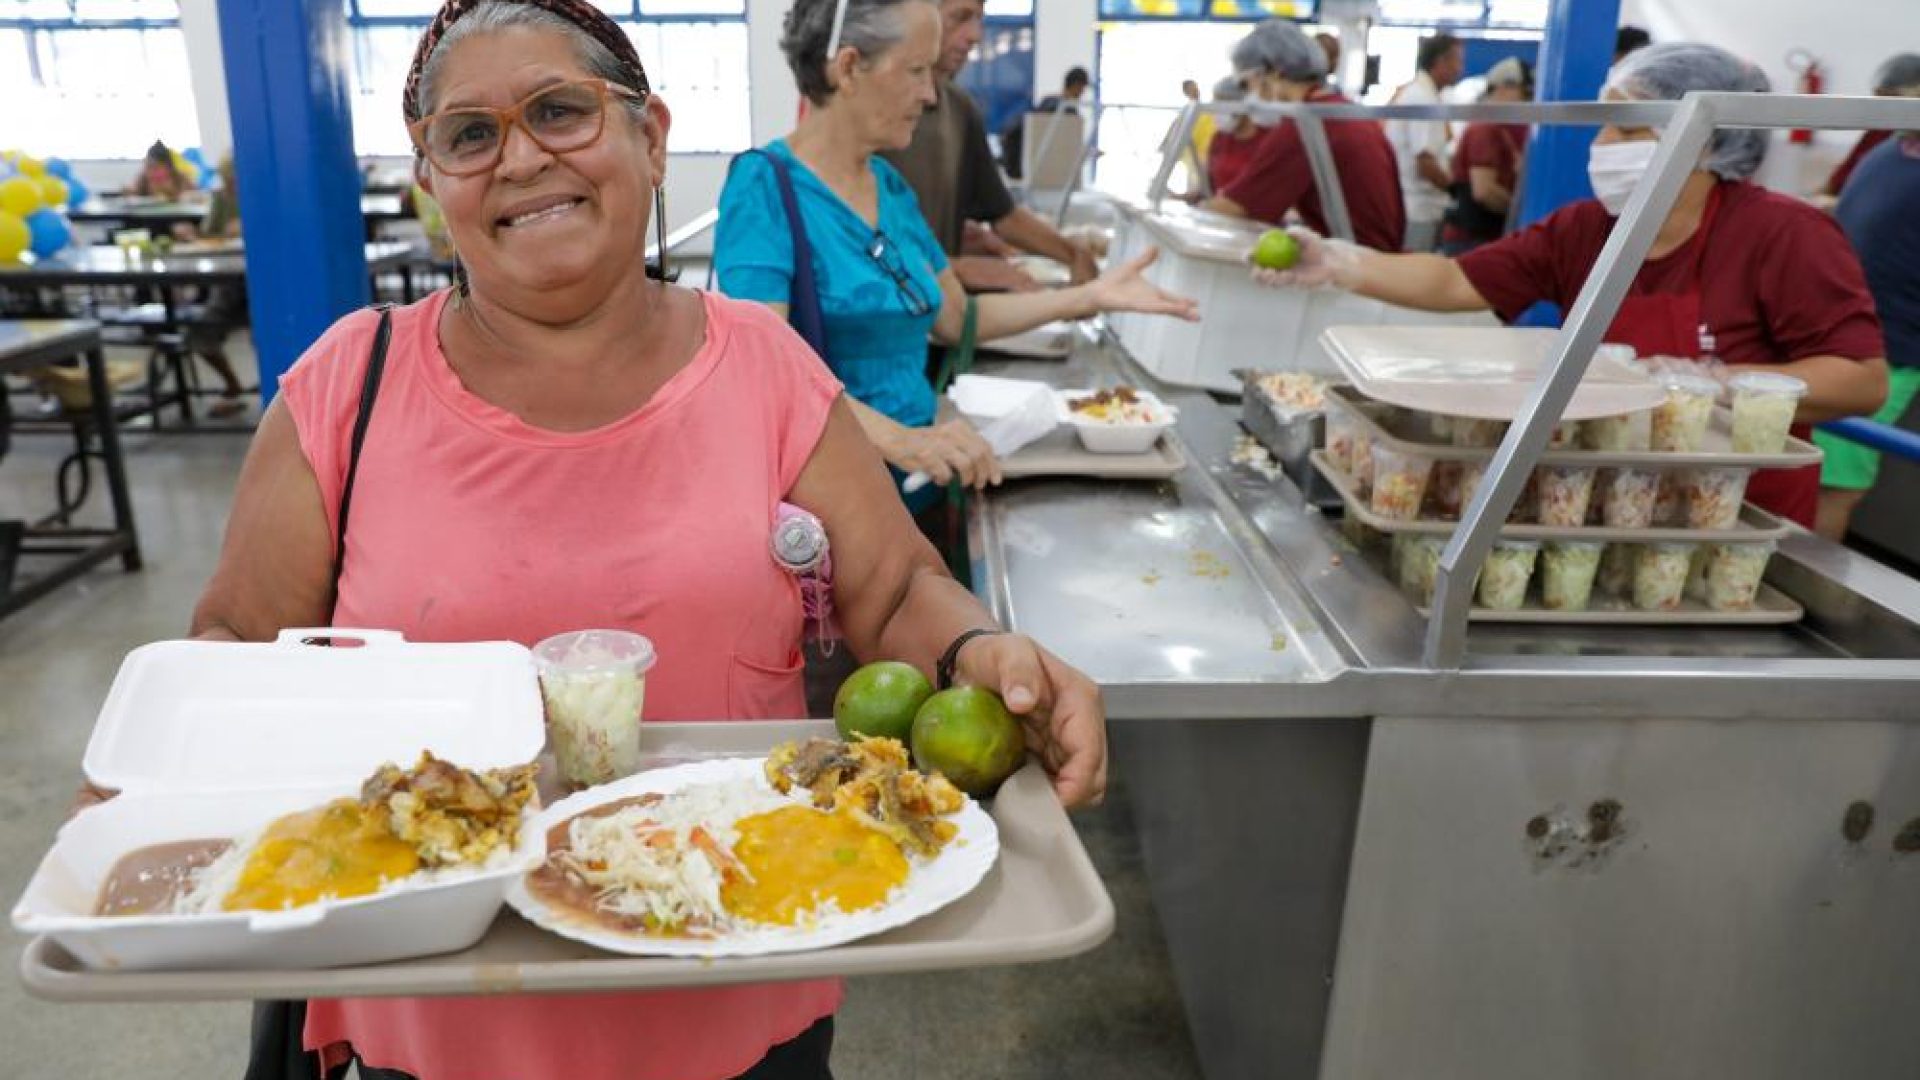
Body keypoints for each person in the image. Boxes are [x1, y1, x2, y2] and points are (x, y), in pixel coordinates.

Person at [176, 3, 1111, 1078]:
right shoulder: (350, 386)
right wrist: (172, 748)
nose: (521, 158)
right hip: (438, 1000)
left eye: (561, 111)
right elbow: (241, 636)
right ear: (434, 187)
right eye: (469, 137)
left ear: (651, 137)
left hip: (740, 965)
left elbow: (896, 588)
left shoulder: (763, 366)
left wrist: (976, 653)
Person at [1251, 44, 1888, 529]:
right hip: (1607, 506)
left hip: (1737, 517)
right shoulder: (1586, 229)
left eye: (1627, 128)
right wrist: (1339, 262)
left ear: (1704, 143)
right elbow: (1453, 277)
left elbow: (1862, 379)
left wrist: (1709, 383)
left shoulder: (1784, 235)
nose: (1602, 142)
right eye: (1605, 123)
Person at [716, 0, 1198, 520]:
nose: (929, 94)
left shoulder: (890, 187)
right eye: (916, 71)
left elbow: (957, 318)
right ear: (850, 66)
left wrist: (1087, 296)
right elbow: (762, 373)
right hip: (836, 502)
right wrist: (900, 441)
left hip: (921, 479)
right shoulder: (763, 187)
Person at [880, 0, 1098, 293]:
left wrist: (1072, 254)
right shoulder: (872, 112)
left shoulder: (960, 109)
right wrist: (955, 267)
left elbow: (1003, 214)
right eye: (960, 17)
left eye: (979, 20)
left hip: (937, 313)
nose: (976, 36)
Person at [1202, 19, 1405, 253]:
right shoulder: (1338, 110)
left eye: (1247, 85)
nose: (1248, 98)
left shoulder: (1306, 123)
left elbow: (1237, 207)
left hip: (1358, 263)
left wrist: (1193, 212)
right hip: (1374, 257)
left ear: (1274, 73)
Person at [1817, 127, 1920, 540]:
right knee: (1810, 473)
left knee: (1832, 486)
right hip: (1829, 335)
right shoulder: (1888, 151)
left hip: (1886, 352)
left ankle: (1808, 595)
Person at [172, 154, 250, 417]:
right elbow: (208, 236)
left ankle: (282, 398)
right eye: (229, 181)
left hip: (263, 283)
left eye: (236, 181)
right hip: (228, 281)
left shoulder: (271, 196)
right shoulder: (222, 199)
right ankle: (232, 385)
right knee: (201, 332)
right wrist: (190, 234)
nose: (232, 186)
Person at [1439, 57, 1532, 254]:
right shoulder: (1485, 128)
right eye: (1524, 92)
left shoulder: (1500, 127)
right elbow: (1484, 191)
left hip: (1480, 238)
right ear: (1503, 88)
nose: (1527, 100)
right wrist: (1518, 212)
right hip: (1471, 241)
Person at [1385, 33, 1463, 253]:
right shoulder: (1421, 98)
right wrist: (1456, 191)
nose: (1460, 68)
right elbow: (1425, 161)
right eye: (1457, 60)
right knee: (1410, 276)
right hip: (1418, 210)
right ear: (1440, 62)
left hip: (1421, 207)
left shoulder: (1427, 95)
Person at [1820, 53, 1920, 199]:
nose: (1884, 106)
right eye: (1881, 98)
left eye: (1891, 97)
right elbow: (1835, 183)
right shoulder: (1879, 130)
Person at [999, 65, 1089, 179]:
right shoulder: (1067, 111)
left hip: (1025, 166)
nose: (1083, 92)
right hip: (1047, 173)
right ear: (1077, 85)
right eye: (1083, 88)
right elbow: (1066, 146)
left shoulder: (1048, 100)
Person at [1204, 76, 1262, 196]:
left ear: (1243, 105)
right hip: (1219, 211)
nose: (1219, 113)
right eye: (1216, 105)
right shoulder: (1219, 138)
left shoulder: (1267, 140)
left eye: (1224, 106)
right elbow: (1209, 185)